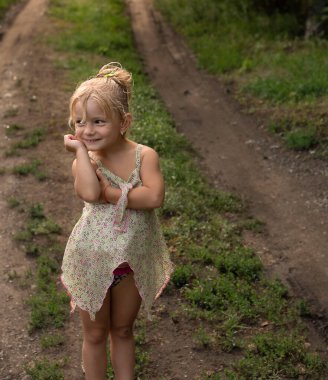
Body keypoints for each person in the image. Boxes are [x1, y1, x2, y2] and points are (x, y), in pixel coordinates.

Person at [61, 62, 173, 380]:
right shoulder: (86, 161)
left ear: (123, 122)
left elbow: (153, 198)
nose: (87, 130)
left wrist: (112, 193)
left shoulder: (144, 156)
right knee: (95, 335)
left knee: (122, 329)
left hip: (131, 259)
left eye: (98, 121)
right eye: (79, 122)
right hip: (92, 259)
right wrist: (81, 153)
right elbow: (87, 191)